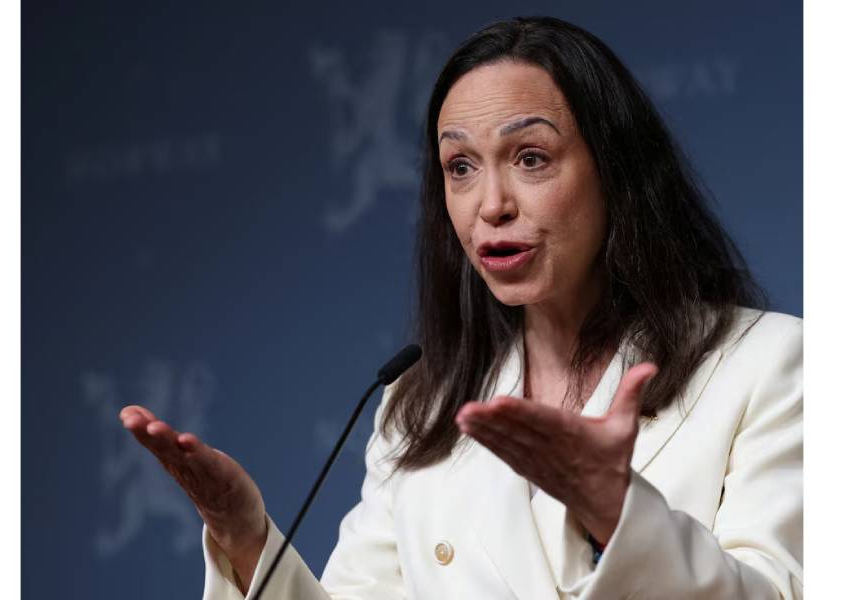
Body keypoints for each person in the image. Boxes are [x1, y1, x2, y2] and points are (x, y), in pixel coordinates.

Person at [119, 16, 802, 599]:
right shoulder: (420, 404)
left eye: (531, 158)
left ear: (617, 174)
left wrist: (616, 515)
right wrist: (245, 540)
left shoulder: (771, 364)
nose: (491, 205)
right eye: (461, 167)